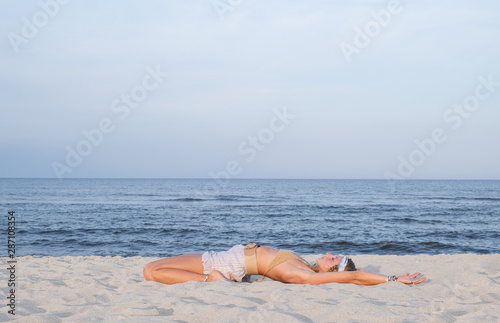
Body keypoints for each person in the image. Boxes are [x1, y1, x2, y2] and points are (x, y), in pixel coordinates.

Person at [143, 243, 426, 285]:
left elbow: (353, 277)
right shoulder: (304, 266)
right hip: (232, 259)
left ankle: (211, 281)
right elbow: (350, 276)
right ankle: (214, 279)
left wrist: (390, 278)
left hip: (227, 264)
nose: (328, 255)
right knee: (154, 269)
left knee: (150, 270)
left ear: (331, 270)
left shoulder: (303, 274)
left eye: (333, 260)